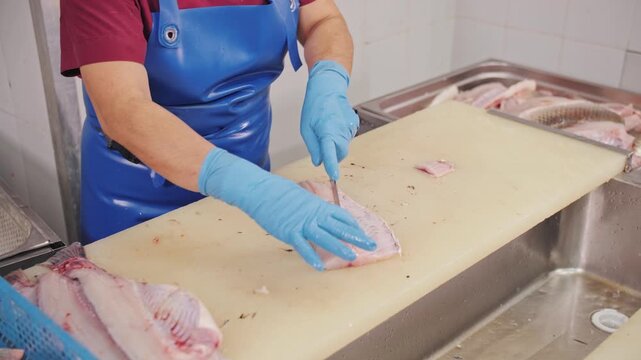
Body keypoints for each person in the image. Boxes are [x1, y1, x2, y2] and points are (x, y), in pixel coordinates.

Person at [60, 0, 376, 270]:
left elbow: (322, 20)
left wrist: (329, 82)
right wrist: (244, 185)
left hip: (249, 195)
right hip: (136, 207)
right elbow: (123, 109)